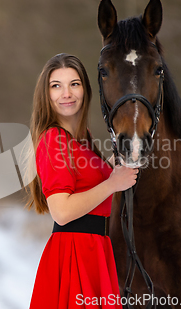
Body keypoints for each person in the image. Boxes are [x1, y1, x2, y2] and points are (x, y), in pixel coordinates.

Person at [26, 53, 138, 309]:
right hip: (74, 255)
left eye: (74, 84)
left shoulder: (80, 139)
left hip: (95, 250)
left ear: (85, 89)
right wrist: (112, 184)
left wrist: (116, 164)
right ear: (46, 94)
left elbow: (87, 183)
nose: (66, 93)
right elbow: (62, 212)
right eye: (57, 86)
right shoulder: (54, 139)